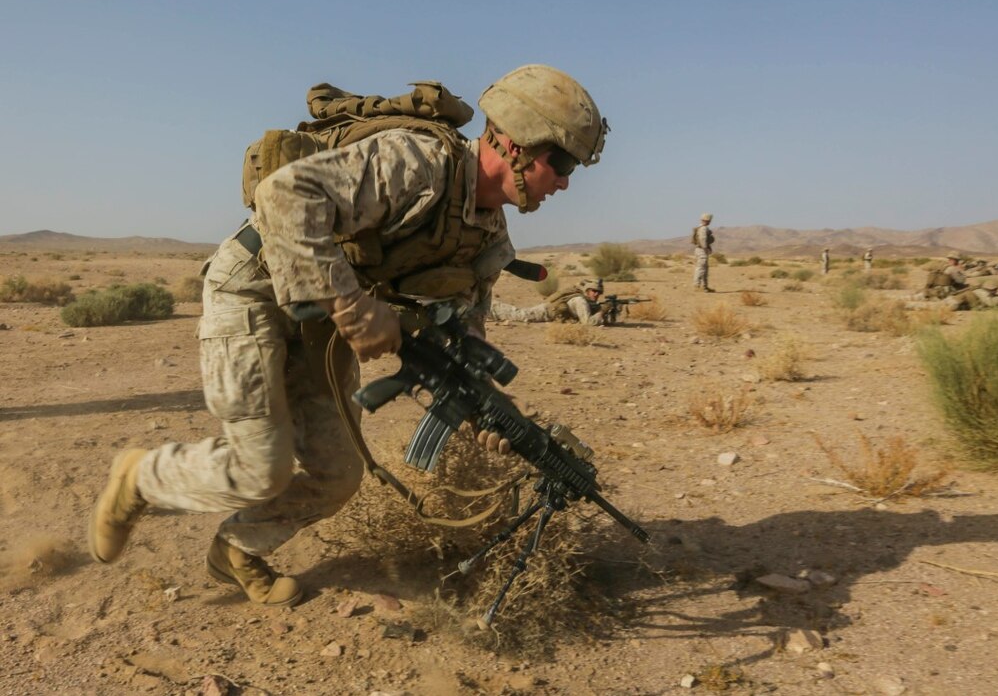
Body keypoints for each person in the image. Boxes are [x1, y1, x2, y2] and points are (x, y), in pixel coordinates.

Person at [87, 64, 608, 607]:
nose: (565, 182)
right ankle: (140, 478)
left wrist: (486, 412)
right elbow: (284, 196)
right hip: (254, 287)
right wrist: (352, 305)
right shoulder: (420, 163)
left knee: (337, 473)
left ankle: (237, 550)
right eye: (563, 163)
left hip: (320, 321)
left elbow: (463, 337)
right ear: (516, 144)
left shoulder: (489, 239)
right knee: (260, 466)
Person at [489, 278, 605, 325]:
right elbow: (588, 322)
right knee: (519, 314)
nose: (596, 294)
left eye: (598, 292)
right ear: (587, 290)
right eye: (594, 291)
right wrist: (602, 312)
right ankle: (490, 308)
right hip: (545, 313)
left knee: (519, 313)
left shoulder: (584, 300)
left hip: (547, 310)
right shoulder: (580, 301)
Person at [692, 213, 715, 292]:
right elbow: (703, 239)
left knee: (704, 269)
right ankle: (697, 286)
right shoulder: (703, 229)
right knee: (701, 268)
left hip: (701, 249)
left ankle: (704, 286)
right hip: (701, 250)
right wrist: (705, 248)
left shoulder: (701, 228)